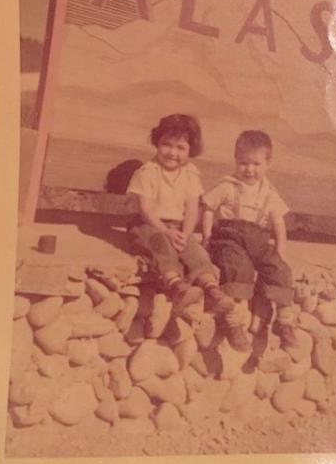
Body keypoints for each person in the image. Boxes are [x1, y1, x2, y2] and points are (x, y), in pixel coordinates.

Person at [126, 114, 251, 351]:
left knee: (195, 251)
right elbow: (145, 209)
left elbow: (193, 208)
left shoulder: (191, 173)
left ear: (190, 150)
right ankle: (177, 287)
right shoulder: (148, 171)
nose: (172, 153)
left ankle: (212, 290)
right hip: (148, 225)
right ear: (156, 143)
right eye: (167, 145)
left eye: (180, 147)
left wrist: (185, 233)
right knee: (161, 246)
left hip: (177, 226)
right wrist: (166, 231)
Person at [202, 130, 296, 346]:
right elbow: (208, 208)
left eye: (256, 164)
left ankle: (285, 320)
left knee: (280, 269)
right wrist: (207, 236)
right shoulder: (227, 186)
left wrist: (280, 251)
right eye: (243, 163)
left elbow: (279, 224)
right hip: (229, 238)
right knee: (238, 266)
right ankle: (234, 323)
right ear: (236, 160)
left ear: (268, 164)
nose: (249, 170)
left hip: (258, 241)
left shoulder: (269, 193)